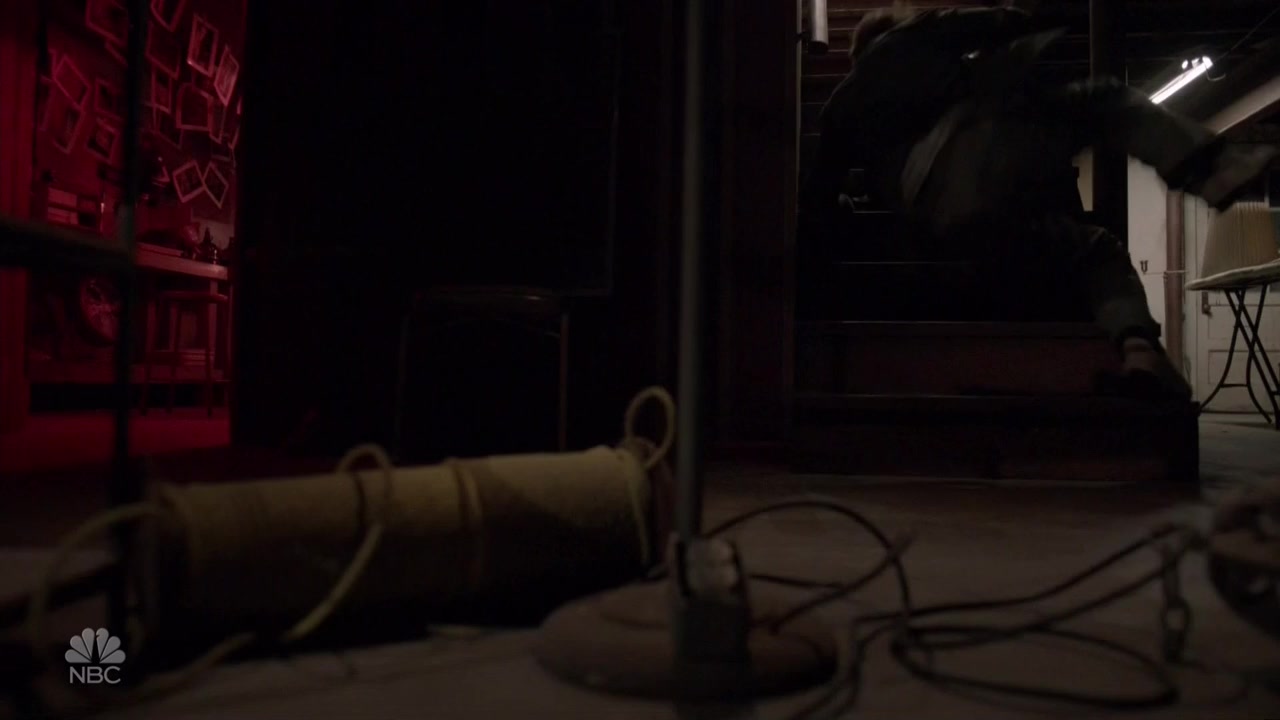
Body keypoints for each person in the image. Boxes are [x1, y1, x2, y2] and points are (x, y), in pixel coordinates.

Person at [802, 5, 1278, 398]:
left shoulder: (840, 105)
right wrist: (1045, 18)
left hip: (934, 215)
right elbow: (994, 22)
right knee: (1104, 100)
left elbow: (818, 198)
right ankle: (1216, 171)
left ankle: (1140, 357)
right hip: (967, 153)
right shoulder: (914, 35)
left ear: (856, 53)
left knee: (1088, 246)